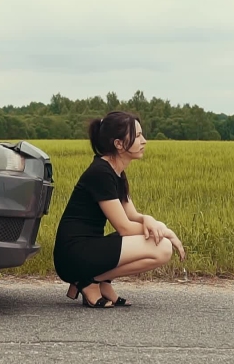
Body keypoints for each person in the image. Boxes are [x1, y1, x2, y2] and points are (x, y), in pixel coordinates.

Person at [53, 110, 186, 308]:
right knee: (163, 247)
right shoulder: (100, 173)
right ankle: (89, 281)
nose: (144, 141)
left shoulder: (116, 172)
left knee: (160, 245)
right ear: (119, 144)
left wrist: (148, 219)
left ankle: (97, 280)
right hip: (74, 253)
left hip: (90, 248)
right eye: (138, 135)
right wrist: (166, 232)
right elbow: (124, 228)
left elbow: (131, 215)